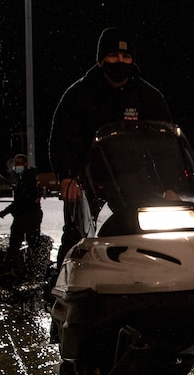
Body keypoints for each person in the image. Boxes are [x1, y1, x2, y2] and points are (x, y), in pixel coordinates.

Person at [49, 28, 172, 262]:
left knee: (147, 228)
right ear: (101, 60)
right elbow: (61, 139)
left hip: (132, 176)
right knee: (76, 234)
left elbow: (165, 144)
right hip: (88, 178)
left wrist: (170, 184)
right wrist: (66, 177)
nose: (120, 61)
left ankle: (149, 270)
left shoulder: (147, 96)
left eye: (126, 57)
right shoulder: (78, 95)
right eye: (114, 55)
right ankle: (64, 276)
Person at [0, 153, 43, 264]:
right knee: (27, 243)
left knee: (22, 243)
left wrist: (6, 211)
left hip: (27, 216)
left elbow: (22, 201)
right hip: (25, 216)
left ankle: (12, 266)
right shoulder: (24, 179)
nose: (16, 166)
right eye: (15, 163)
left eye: (19, 163)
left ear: (25, 164)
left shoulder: (28, 180)